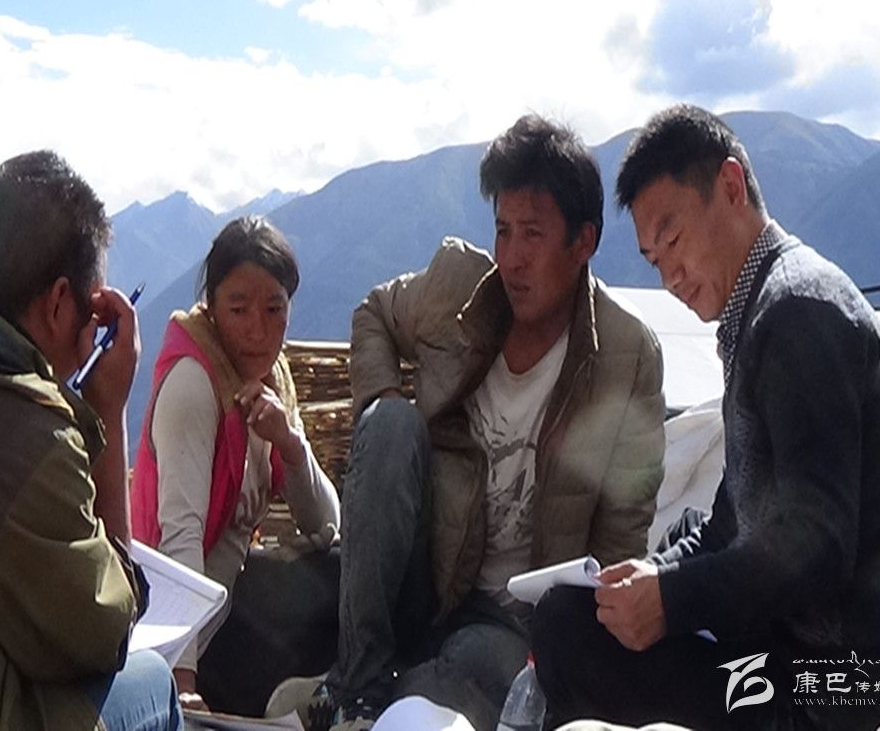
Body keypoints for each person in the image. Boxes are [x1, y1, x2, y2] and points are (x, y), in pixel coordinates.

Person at [532, 104, 880, 731]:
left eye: (673, 240)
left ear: (730, 186)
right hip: (795, 654)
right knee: (596, 606)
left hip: (846, 683)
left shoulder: (798, 312)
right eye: (653, 259)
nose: (670, 276)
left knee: (567, 632)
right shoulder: (762, 312)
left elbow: (819, 545)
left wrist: (672, 600)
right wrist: (654, 576)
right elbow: (731, 523)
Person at [271, 114, 666, 731]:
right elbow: (373, 314)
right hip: (422, 578)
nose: (512, 258)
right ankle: (360, 681)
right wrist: (382, 403)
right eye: (503, 230)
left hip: (510, 620)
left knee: (474, 666)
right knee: (391, 424)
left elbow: (620, 536)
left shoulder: (626, 356)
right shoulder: (456, 292)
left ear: (583, 242)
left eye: (533, 235)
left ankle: (353, 694)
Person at [0, 151, 181, 730]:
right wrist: (107, 409)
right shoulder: (24, 434)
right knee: (153, 683)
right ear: (57, 303)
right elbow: (104, 634)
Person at [131, 216, 341, 711]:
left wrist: (288, 442)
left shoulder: (272, 383)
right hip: (170, 622)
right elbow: (179, 536)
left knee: (338, 572)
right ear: (212, 306)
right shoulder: (194, 384)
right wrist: (180, 683)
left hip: (230, 596)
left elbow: (327, 523)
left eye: (274, 309)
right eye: (239, 309)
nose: (258, 330)